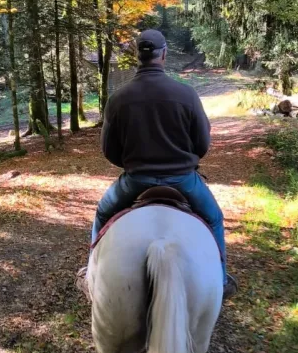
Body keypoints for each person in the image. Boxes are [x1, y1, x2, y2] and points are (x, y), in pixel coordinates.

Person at [92, 28, 237, 300]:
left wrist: (132, 163)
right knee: (215, 218)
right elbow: (202, 144)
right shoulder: (187, 94)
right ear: (164, 54)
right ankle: (220, 280)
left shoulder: (118, 99)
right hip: (183, 180)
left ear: (137, 55)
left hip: (135, 181)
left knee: (101, 214)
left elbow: (109, 151)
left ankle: (91, 275)